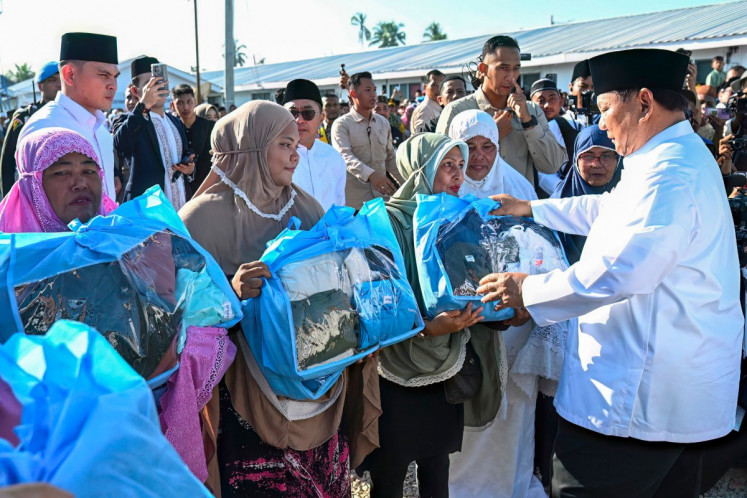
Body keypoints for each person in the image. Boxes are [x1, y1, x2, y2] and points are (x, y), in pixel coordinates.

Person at [478, 48, 743, 497]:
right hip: (669, 392)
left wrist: (528, 291)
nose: (600, 124)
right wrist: (532, 208)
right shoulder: (671, 154)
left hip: (635, 405)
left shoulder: (669, 173)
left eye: (605, 109)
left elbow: (621, 272)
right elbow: (610, 208)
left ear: (643, 102)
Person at [178, 101, 378, 497]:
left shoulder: (305, 206)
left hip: (318, 390)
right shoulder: (199, 219)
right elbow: (178, 317)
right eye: (285, 144)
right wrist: (230, 297)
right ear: (251, 148)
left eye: (297, 144)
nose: (296, 153)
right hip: (245, 400)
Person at [360, 133, 487, 498]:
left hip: (445, 360)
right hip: (397, 365)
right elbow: (378, 302)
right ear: (420, 170)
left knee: (437, 467)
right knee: (390, 473)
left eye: (460, 166)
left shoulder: (456, 218)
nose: (458, 175)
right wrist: (427, 329)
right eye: (447, 166)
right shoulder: (385, 222)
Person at [446, 110, 565, 498]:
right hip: (466, 323)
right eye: (468, 148)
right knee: (469, 406)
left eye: (487, 147)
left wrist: (524, 306)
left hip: (515, 321)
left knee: (514, 405)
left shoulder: (516, 187)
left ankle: (511, 485)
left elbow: (540, 251)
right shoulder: (444, 187)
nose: (478, 157)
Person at [436, 36, 566, 188]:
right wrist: (492, 136)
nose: (511, 76)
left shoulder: (531, 111)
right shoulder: (457, 111)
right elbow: (441, 168)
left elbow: (552, 165)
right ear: (483, 69)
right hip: (472, 207)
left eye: (516, 68)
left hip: (519, 207)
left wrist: (528, 121)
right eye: (503, 68)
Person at [18, 32, 119, 197]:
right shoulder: (46, 126)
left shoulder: (102, 131)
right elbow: (32, 207)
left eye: (115, 77)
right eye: (103, 75)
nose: (113, 85)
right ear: (69, 75)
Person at [0, 127, 117, 233]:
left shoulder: (124, 239)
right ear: (33, 185)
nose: (81, 184)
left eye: (89, 171)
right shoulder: (12, 253)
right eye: (62, 173)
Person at [114, 56, 194, 208]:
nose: (156, 88)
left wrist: (189, 168)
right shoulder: (130, 120)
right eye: (148, 85)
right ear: (135, 91)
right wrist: (143, 105)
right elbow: (120, 144)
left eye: (158, 82)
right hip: (148, 213)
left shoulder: (175, 122)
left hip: (181, 209)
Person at [332, 71, 403, 210]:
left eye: (374, 90)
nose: (373, 94)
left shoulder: (383, 123)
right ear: (353, 94)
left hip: (383, 200)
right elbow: (344, 157)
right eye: (368, 90)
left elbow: (390, 158)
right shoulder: (342, 124)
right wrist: (371, 175)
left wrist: (406, 183)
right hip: (356, 204)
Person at [553, 124, 622, 264]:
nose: (596, 164)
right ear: (576, 160)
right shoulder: (555, 205)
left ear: (618, 160)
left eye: (606, 155)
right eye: (588, 155)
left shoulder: (630, 200)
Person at [283, 79, 346, 211]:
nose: (299, 120)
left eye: (308, 113)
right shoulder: (272, 158)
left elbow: (339, 205)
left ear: (321, 118)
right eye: (292, 113)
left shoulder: (333, 156)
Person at [0, 61, 61, 197]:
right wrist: (8, 198)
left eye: (62, 79)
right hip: (31, 193)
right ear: (40, 86)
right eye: (52, 80)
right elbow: (8, 160)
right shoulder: (25, 117)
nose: (59, 85)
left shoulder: (72, 116)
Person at [530, 78, 582, 196]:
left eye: (552, 99)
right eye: (541, 100)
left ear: (560, 100)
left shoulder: (575, 124)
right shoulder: (528, 130)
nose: (547, 105)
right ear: (532, 104)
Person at [172, 84, 215, 197]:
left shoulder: (209, 127)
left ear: (195, 101)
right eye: (180, 103)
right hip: (178, 188)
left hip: (205, 187)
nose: (185, 107)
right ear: (173, 105)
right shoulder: (171, 127)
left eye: (189, 102)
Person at [410, 70, 445, 134]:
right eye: (434, 85)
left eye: (441, 86)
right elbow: (421, 136)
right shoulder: (425, 109)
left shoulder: (437, 107)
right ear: (425, 87)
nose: (439, 89)